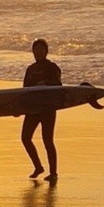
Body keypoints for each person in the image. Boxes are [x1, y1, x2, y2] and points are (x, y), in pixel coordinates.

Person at [21, 38, 61, 182]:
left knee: (47, 140)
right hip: (33, 108)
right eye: (35, 49)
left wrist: (46, 83)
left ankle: (53, 173)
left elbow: (58, 85)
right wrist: (18, 108)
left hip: (48, 107)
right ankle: (38, 167)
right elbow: (24, 91)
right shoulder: (30, 70)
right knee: (25, 138)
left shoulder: (52, 67)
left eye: (40, 49)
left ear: (46, 51)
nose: (37, 52)